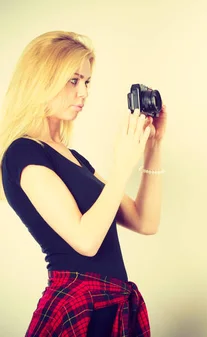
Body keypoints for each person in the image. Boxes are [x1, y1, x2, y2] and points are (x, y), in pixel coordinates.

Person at [0, 31, 167, 336]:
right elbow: (85, 240)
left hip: (112, 305)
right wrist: (121, 166)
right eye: (73, 80)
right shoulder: (22, 152)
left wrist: (153, 148)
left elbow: (145, 221)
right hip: (78, 306)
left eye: (87, 82)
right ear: (42, 80)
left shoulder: (74, 158)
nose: (84, 93)